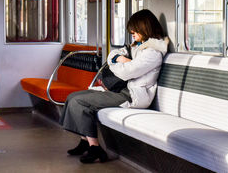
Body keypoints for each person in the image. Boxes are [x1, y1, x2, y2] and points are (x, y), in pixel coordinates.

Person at [59, 9, 169, 163]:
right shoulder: (138, 46)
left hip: (133, 96)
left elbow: (125, 73)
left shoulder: (153, 53)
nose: (132, 32)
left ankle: (95, 148)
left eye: (135, 29)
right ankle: (85, 142)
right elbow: (113, 54)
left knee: (79, 102)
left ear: (145, 27)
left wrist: (116, 64)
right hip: (123, 90)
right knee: (72, 97)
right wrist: (118, 59)